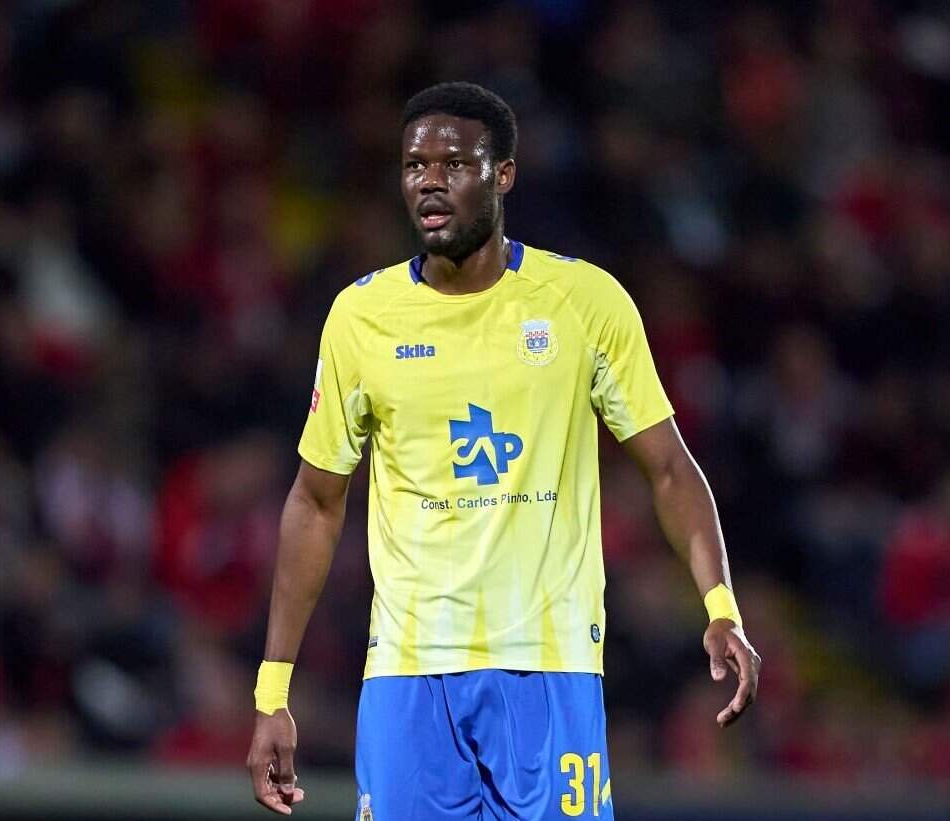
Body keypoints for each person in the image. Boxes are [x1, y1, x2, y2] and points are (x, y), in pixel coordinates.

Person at [245, 81, 760, 819]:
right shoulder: (362, 318)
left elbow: (672, 468)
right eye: (415, 165)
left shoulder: (584, 303)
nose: (429, 179)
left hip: (547, 667)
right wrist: (273, 693)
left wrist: (721, 607)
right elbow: (316, 500)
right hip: (409, 675)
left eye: (454, 164)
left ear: (503, 174)